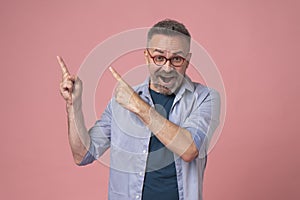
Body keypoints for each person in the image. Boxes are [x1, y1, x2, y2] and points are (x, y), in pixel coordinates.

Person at [58, 19, 220, 200]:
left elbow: (189, 149)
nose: (167, 68)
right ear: (146, 56)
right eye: (159, 57)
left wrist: (137, 106)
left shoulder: (205, 98)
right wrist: (73, 105)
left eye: (176, 59)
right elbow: (82, 155)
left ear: (187, 61)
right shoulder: (120, 102)